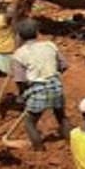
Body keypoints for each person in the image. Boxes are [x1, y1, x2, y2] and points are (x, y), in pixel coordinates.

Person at [11, 19, 70, 150]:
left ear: (19, 36)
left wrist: (22, 96)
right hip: (56, 86)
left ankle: (39, 148)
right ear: (37, 33)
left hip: (37, 89)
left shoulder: (18, 54)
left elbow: (20, 81)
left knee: (29, 122)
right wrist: (53, 74)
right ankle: (71, 142)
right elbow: (64, 65)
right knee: (61, 117)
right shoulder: (50, 45)